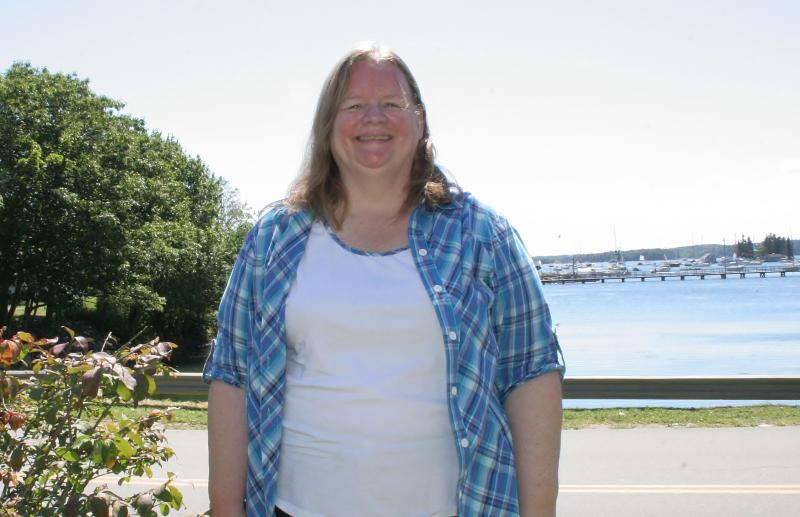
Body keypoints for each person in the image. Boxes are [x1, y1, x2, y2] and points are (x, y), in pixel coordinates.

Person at [204, 43, 565, 517]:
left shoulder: (482, 234)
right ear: (328, 126)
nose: (373, 117)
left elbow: (531, 373)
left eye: (392, 104)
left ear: (419, 122)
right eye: (353, 106)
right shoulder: (273, 240)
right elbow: (232, 376)